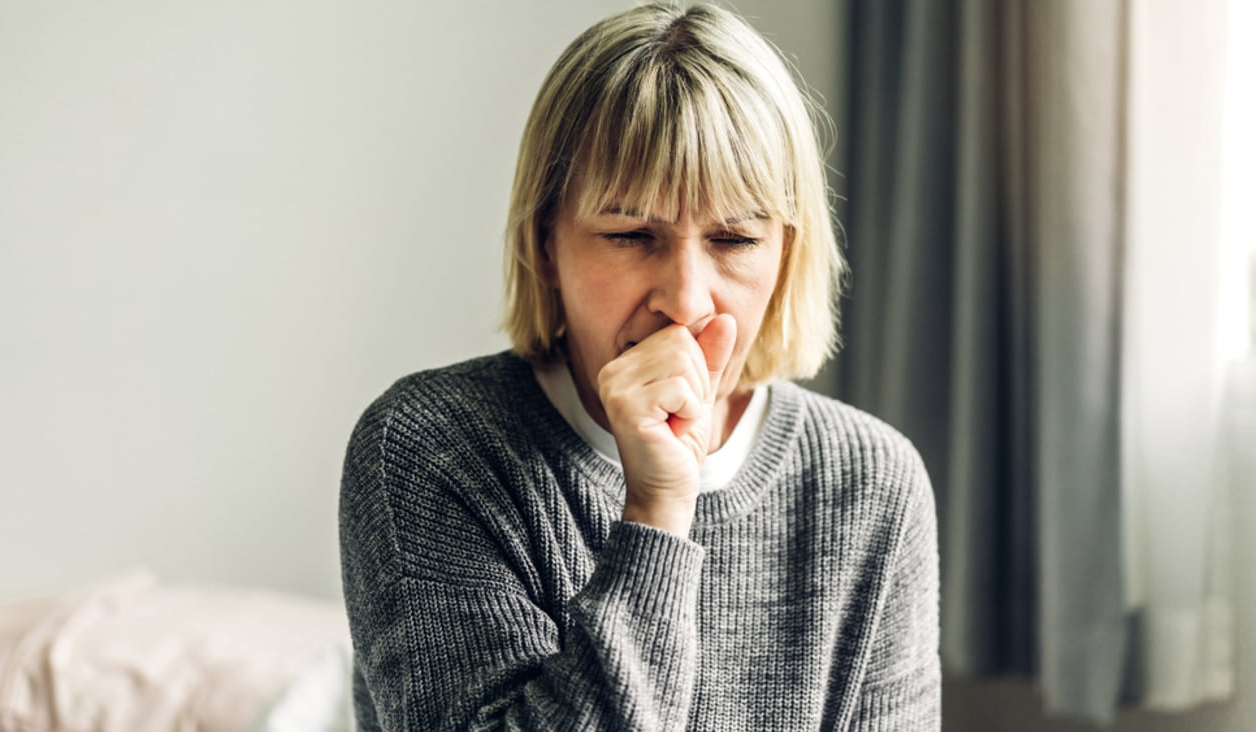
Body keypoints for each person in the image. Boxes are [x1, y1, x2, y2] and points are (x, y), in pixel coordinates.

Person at [339, 3, 939, 730]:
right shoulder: (431, 447)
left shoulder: (871, 482)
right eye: (630, 235)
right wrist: (657, 514)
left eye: (735, 238)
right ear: (545, 246)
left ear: (787, 254)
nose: (684, 301)